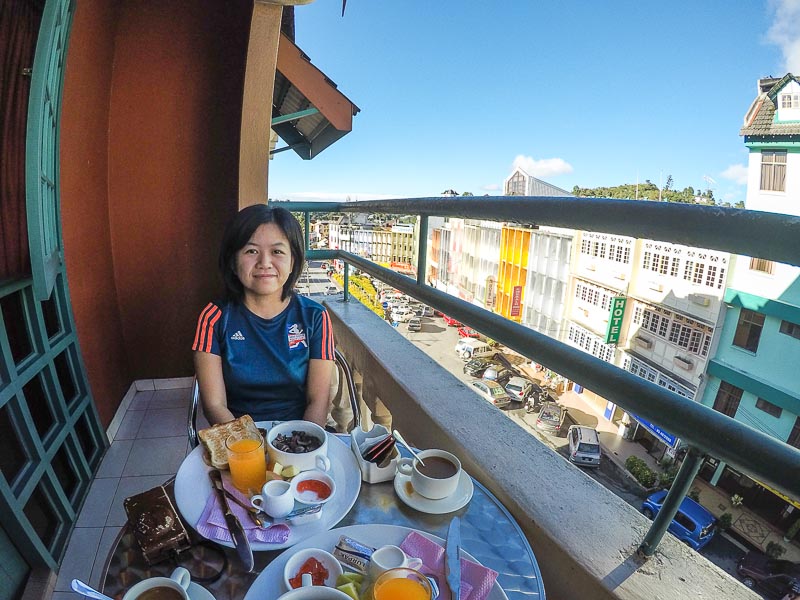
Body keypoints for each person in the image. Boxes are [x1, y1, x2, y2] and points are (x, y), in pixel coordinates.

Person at [192, 205, 335, 426]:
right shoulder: (214, 318)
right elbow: (214, 405)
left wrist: (302, 447)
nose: (264, 263)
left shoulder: (315, 318)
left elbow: (318, 402)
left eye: (277, 251)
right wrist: (250, 448)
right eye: (251, 251)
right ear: (232, 261)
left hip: (298, 435)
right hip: (237, 437)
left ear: (293, 261)